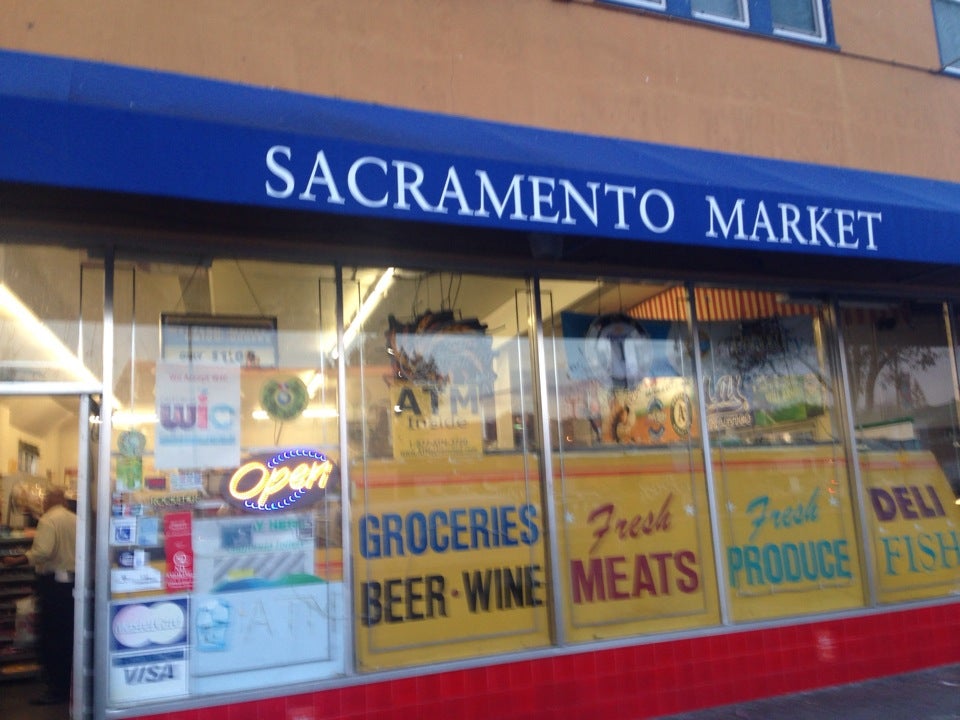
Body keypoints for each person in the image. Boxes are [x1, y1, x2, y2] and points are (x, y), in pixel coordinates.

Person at [2, 486, 77, 705]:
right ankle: (68, 687)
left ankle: (55, 689)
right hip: (72, 586)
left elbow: (42, 552)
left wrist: (14, 561)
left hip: (53, 585)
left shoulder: (48, 520)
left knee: (51, 636)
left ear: (48, 501)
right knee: (67, 637)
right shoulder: (75, 519)